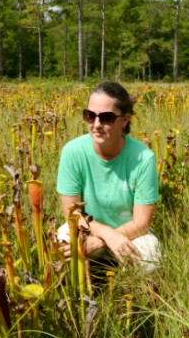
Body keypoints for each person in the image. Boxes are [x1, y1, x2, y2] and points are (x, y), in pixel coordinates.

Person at [56, 81, 160, 273]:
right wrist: (105, 236)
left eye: (106, 118)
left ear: (125, 120)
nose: (96, 125)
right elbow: (72, 214)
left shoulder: (143, 158)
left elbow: (142, 222)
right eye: (90, 116)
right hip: (87, 231)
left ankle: (126, 292)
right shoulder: (72, 152)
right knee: (60, 252)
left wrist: (99, 243)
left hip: (130, 235)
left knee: (150, 258)